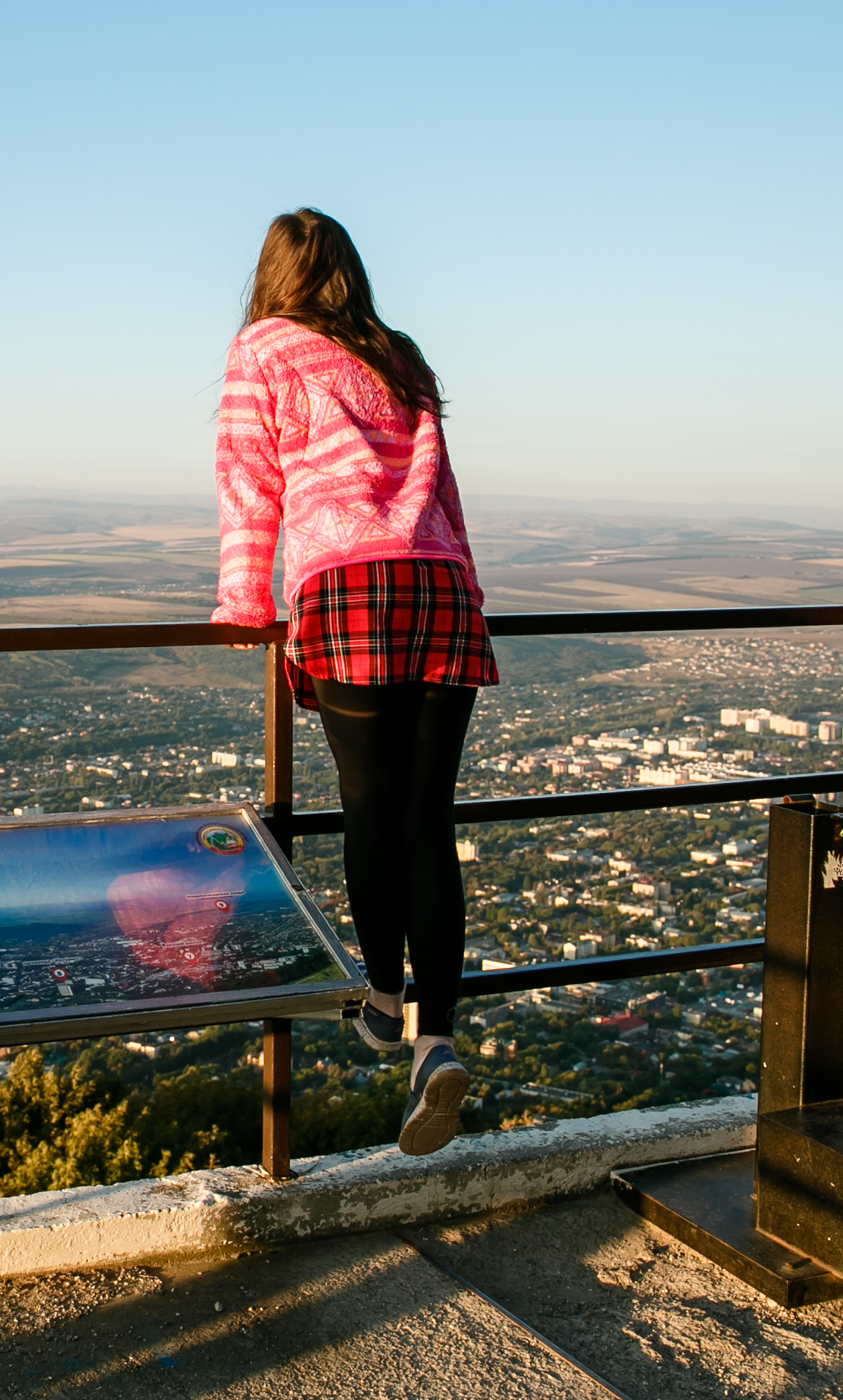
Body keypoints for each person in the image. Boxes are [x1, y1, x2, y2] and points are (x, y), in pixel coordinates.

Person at [210, 208, 499, 1157]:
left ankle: (383, 1005)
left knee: (371, 811)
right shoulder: (400, 352)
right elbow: (445, 492)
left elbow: (249, 480)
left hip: (348, 585)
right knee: (430, 820)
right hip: (440, 586)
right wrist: (467, 592)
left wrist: (246, 601)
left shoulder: (264, 347)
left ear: (274, 276)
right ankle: (438, 1042)